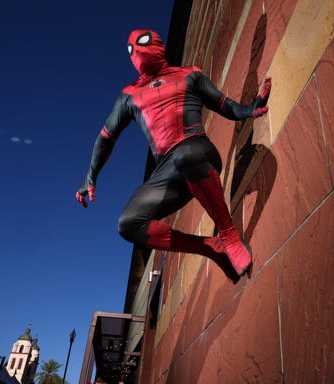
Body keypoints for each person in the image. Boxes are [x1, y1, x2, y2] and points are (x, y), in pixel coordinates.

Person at [76, 29, 271, 283]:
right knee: (128, 222)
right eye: (130, 49)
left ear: (158, 43)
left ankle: (228, 234)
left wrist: (248, 109)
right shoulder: (129, 95)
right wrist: (90, 177)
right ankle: (209, 247)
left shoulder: (190, 74)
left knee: (185, 155)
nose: (135, 50)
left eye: (141, 42)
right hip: (167, 172)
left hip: (199, 153)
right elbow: (105, 137)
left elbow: (223, 104)